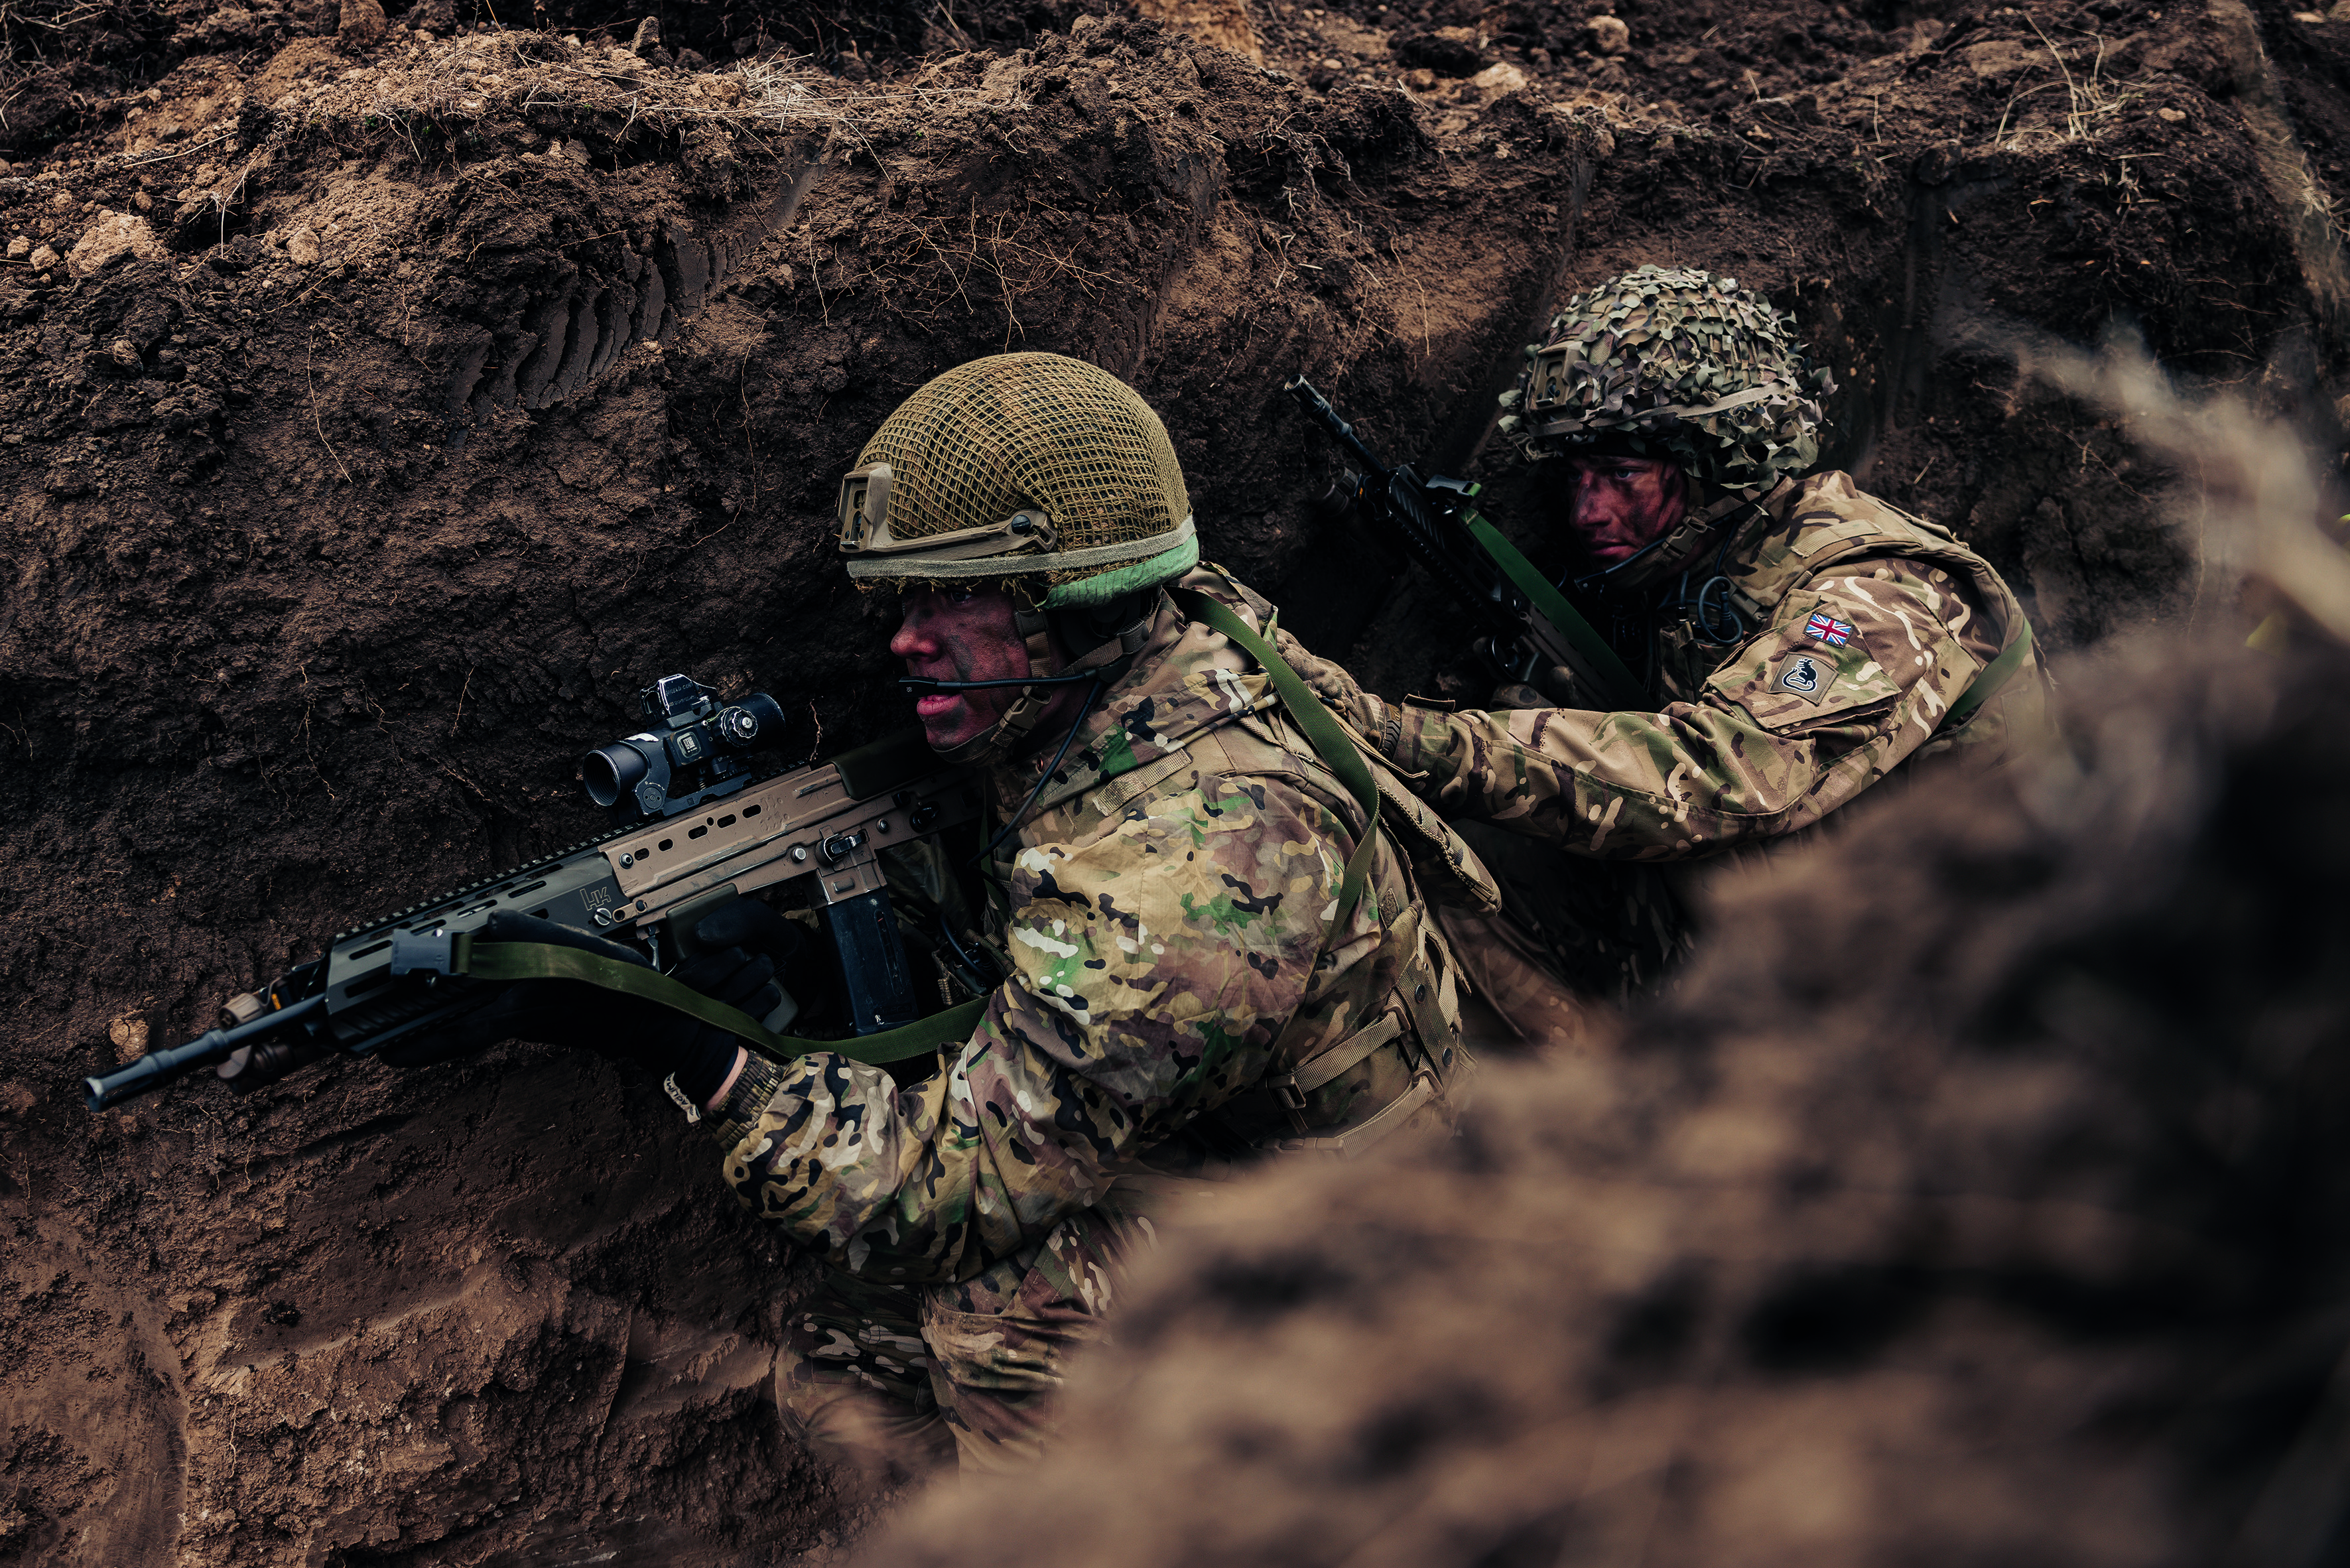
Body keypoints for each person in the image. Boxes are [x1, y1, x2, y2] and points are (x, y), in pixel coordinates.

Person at [455, 352, 1490, 1476]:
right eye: (904, 597)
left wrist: (687, 1045)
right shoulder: (1137, 672)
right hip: (1218, 1159)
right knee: (847, 1343)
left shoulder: (1193, 850)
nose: (904, 639)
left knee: (997, 1310)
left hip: (1381, 1261)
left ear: (1073, 592)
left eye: (953, 594)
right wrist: (787, 960)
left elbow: (947, 1197)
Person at [1307, 265, 2048, 1021]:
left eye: (1622, 475)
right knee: (1440, 856)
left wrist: (1416, 740)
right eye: (1575, 478)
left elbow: (1730, 775)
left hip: (1956, 987)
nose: (1587, 510)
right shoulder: (1717, 564)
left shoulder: (1879, 589)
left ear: (1717, 463)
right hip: (1799, 926)